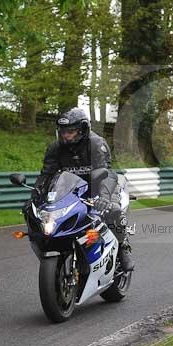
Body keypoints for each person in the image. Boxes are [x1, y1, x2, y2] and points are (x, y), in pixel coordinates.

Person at [33, 107, 134, 271]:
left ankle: (123, 248)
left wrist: (104, 198)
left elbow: (106, 172)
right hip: (72, 190)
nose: (66, 135)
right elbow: (46, 175)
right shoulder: (56, 147)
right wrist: (35, 196)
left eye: (71, 131)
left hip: (100, 186)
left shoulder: (96, 144)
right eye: (63, 131)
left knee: (113, 209)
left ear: (83, 130)